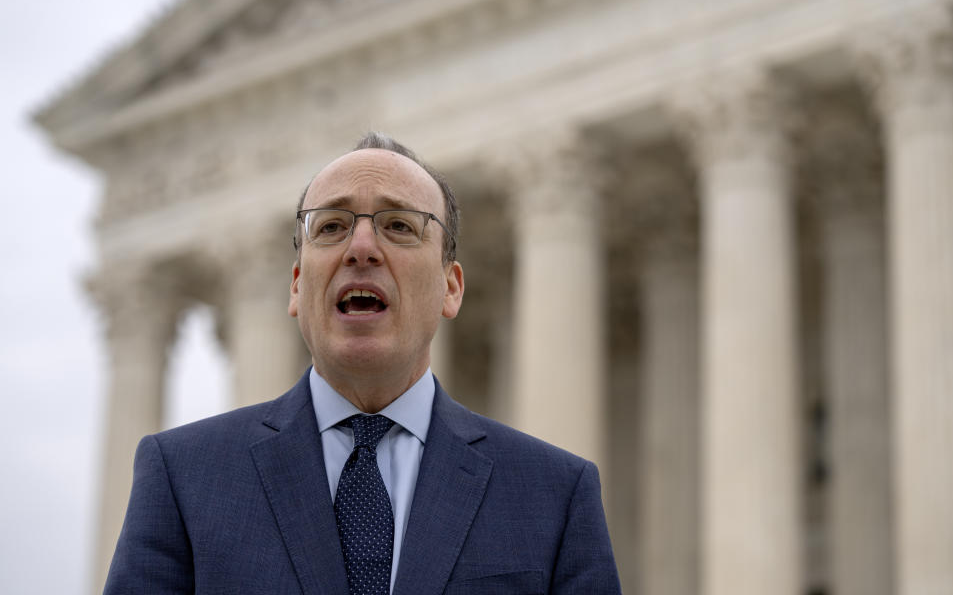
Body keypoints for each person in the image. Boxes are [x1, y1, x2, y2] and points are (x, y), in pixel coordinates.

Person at [104, 132, 621, 594]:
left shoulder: (553, 493)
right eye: (330, 226)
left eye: (399, 225)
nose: (362, 247)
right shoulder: (184, 477)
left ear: (451, 287)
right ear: (297, 285)